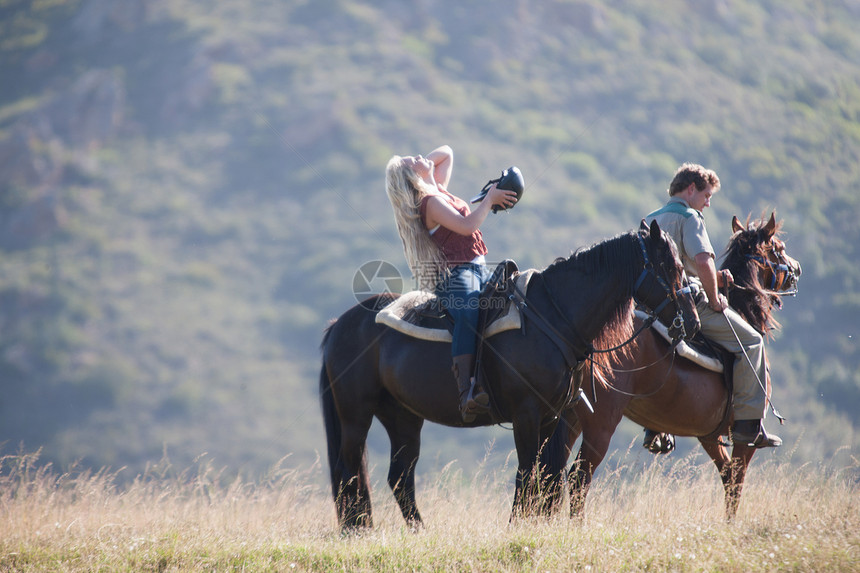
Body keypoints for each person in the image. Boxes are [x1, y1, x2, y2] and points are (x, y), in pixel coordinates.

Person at [643, 163, 781, 448]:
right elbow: (703, 260)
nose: (707, 204)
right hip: (685, 305)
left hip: (648, 308)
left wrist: (715, 277)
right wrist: (716, 297)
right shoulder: (690, 217)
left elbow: (676, 265)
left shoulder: (650, 218)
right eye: (706, 196)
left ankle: (652, 426)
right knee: (753, 342)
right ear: (691, 189)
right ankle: (748, 425)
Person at [385, 145, 518, 422]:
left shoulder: (438, 190)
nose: (421, 155)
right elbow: (468, 225)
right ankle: (466, 391)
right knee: (469, 311)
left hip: (478, 267)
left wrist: (421, 168)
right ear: (412, 177)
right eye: (414, 159)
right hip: (458, 276)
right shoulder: (430, 203)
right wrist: (489, 200)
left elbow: (446, 152)